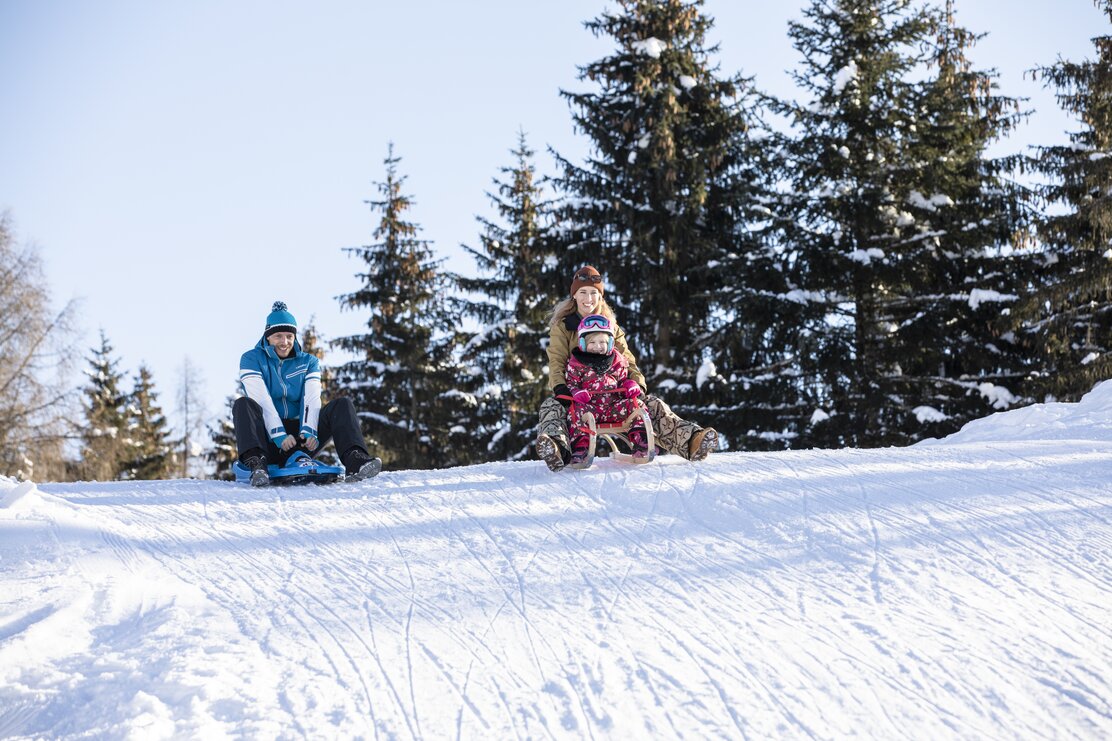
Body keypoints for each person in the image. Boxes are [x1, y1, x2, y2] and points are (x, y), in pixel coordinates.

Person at [535, 266, 718, 471]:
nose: (588, 298)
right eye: (583, 292)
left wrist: (636, 384)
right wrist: (561, 388)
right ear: (574, 295)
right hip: (579, 395)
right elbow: (557, 361)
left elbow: (627, 360)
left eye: (594, 293)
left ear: (600, 296)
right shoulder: (563, 327)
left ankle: (692, 441)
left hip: (615, 396)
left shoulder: (610, 326)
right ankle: (557, 449)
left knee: (652, 405)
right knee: (551, 407)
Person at [234, 301, 381, 486]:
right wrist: (279, 435)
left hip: (299, 437)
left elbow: (311, 398)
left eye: (289, 336)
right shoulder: (251, 359)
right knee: (243, 404)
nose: (284, 342)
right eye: (278, 336)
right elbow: (261, 398)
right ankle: (256, 464)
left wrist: (309, 431)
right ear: (267, 337)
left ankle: (355, 460)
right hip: (268, 439)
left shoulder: (309, 362)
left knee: (342, 405)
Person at [565, 314, 650, 464]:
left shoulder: (617, 361)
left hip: (614, 407)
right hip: (591, 409)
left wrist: (629, 385)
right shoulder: (576, 363)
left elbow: (623, 380)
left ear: (610, 343)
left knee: (637, 405)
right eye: (592, 342)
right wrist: (577, 392)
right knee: (575, 412)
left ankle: (641, 441)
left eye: (602, 342)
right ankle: (580, 448)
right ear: (583, 343)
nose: (597, 346)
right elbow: (571, 383)